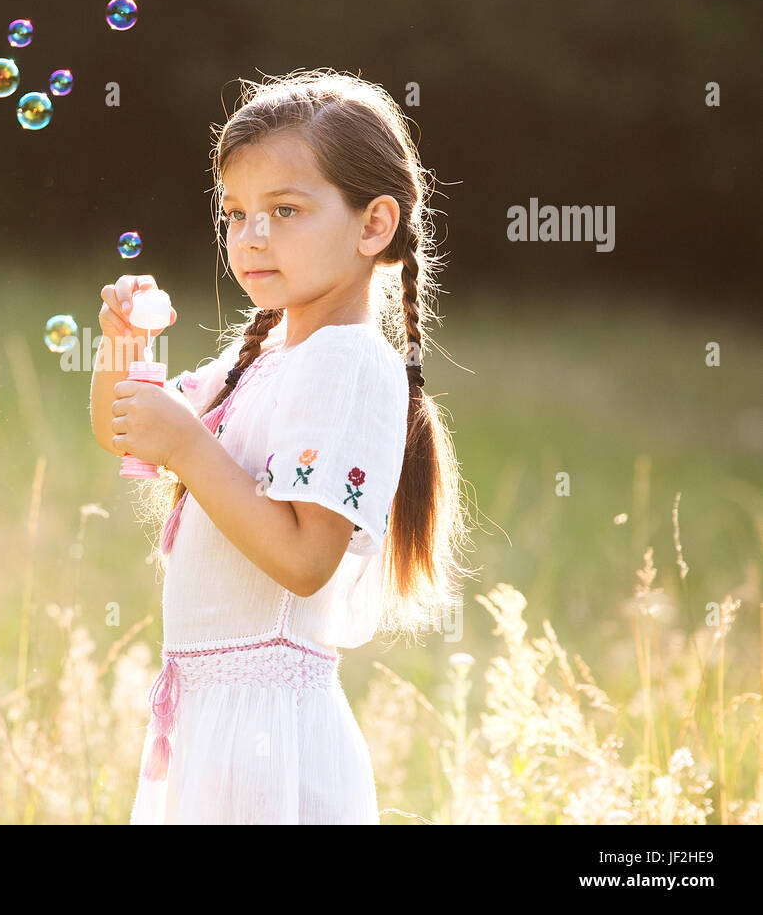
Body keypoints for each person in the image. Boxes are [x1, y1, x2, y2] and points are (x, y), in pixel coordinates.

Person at [89, 68, 474, 823]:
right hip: (212, 721)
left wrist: (190, 448)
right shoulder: (263, 361)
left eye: (286, 209)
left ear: (373, 226)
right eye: (235, 213)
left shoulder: (349, 364)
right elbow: (124, 429)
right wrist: (121, 347)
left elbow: (305, 561)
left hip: (267, 739)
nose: (252, 235)